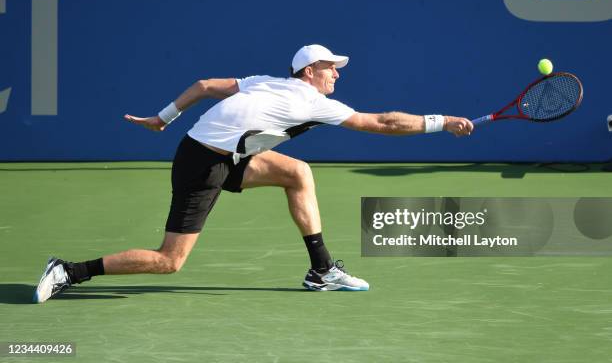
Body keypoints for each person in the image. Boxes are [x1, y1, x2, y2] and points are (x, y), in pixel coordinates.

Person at [34, 44, 474, 302]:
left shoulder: (266, 80)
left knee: (298, 173)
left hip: (224, 155)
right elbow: (385, 123)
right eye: (330, 68)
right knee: (170, 261)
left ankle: (321, 271)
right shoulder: (310, 101)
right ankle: (70, 270)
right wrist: (443, 121)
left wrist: (163, 117)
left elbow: (206, 86)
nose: (336, 75)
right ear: (308, 71)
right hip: (204, 165)